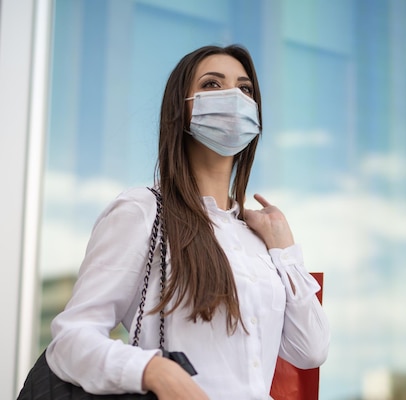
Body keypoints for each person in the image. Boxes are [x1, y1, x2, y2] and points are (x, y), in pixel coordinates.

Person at [45, 44, 330, 400]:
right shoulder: (143, 211)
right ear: (180, 110)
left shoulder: (258, 238)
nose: (234, 97)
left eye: (245, 89)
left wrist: (285, 250)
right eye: (212, 84)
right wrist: (154, 370)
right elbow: (70, 341)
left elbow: (311, 349)